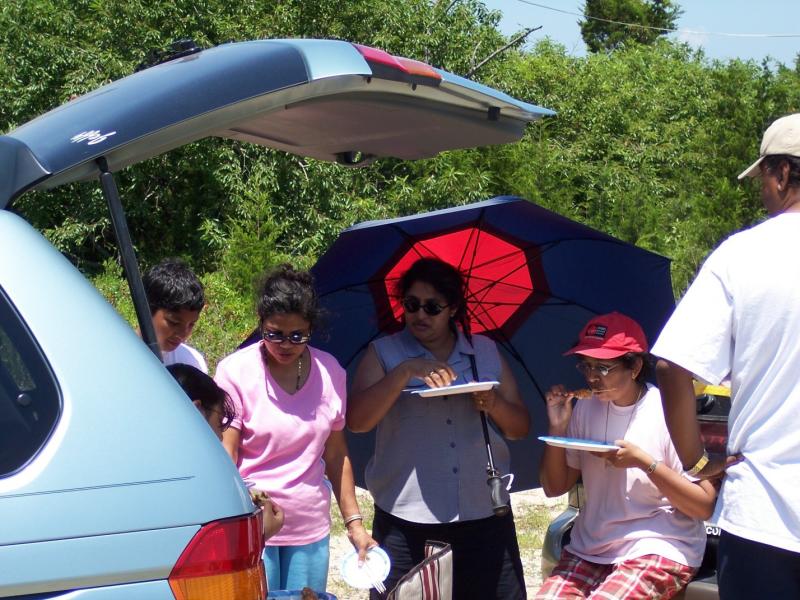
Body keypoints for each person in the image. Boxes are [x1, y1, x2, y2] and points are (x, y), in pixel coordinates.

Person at [652, 113, 800, 598]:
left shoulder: (743, 255)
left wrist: (696, 464)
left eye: (764, 180)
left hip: (766, 519)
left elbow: (673, 366)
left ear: (781, 174)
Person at [348, 257, 531, 599]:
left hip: (482, 513)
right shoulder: (383, 353)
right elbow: (357, 422)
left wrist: (492, 403)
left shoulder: (485, 352)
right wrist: (402, 373)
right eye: (411, 305)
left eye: (432, 307)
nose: (419, 315)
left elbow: (520, 427)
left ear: (453, 308)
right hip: (405, 518)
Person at [215, 264, 375, 592]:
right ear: (260, 322)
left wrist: (355, 524)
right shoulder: (235, 372)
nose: (285, 345)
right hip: (254, 524)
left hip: (310, 529)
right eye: (274, 334)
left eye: (297, 336)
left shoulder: (331, 372)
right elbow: (225, 453)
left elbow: (336, 454)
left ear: (310, 330)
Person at [536, 312, 716, 600]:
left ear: (634, 367)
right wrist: (557, 427)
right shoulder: (584, 408)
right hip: (592, 547)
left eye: (603, 368)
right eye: (586, 366)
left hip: (661, 544)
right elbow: (554, 487)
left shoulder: (665, 412)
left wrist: (645, 463)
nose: (592, 377)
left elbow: (704, 505)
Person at [166, 362, 285, 541]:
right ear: (197, 410)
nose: (221, 436)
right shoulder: (190, 479)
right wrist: (258, 535)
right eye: (219, 421)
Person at [142, 258, 207, 372]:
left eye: (191, 324)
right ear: (146, 309)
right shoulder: (116, 352)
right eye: (174, 322)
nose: (183, 334)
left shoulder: (193, 364)